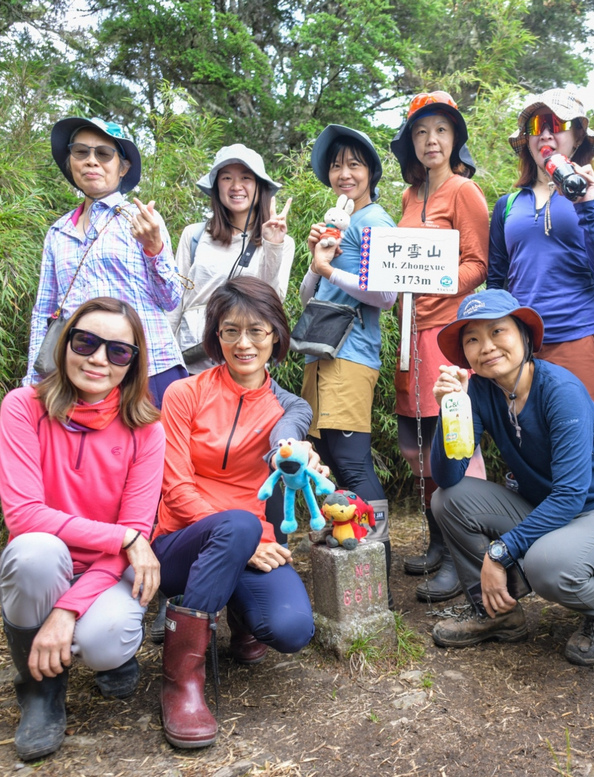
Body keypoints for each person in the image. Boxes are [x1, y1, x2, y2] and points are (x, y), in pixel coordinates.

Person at [427, 289, 594, 666]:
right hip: (550, 514)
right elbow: (448, 477)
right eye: (473, 339)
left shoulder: (559, 390)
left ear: (524, 337)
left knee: (546, 564)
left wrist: (498, 554)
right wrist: (452, 411)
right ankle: (496, 613)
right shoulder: (481, 391)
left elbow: (570, 495)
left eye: (498, 332)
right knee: (447, 501)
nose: (486, 347)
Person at [152, 276, 321, 749]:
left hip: (249, 539)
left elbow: (286, 437)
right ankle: (181, 680)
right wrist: (240, 538)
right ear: (215, 336)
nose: (244, 343)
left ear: (276, 336)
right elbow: (176, 485)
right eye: (230, 331)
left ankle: (243, 623)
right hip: (180, 539)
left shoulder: (289, 405)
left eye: (257, 331)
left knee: (290, 629)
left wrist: (294, 453)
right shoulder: (184, 394)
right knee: (240, 524)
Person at [0, 297, 164, 761]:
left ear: (133, 364)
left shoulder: (145, 428)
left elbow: (132, 535)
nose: (97, 359)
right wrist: (127, 537)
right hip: (47, 562)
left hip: (106, 570)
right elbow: (24, 516)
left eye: (118, 351)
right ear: (64, 341)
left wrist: (67, 610)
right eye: (85, 341)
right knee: (35, 551)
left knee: (105, 642)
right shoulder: (23, 408)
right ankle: (39, 693)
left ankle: (105, 652)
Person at [489, 89, 594, 446]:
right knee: (533, 443)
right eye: (538, 125)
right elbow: (497, 280)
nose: (546, 133)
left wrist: (586, 204)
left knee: (590, 440)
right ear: (527, 141)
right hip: (524, 344)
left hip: (582, 336)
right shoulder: (508, 205)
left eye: (558, 124)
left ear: (578, 136)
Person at [389, 91, 490, 603]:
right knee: (414, 442)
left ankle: (463, 555)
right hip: (408, 335)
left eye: (442, 131)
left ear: (455, 140)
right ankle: (435, 540)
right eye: (422, 131)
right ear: (411, 141)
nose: (431, 140)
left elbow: (478, 263)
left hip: (446, 333)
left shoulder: (464, 191)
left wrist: (433, 282)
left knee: (452, 442)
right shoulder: (409, 197)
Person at [26, 117, 185, 407]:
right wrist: (33, 380)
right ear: (70, 162)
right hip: (86, 374)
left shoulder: (142, 221)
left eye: (103, 153)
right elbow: (44, 311)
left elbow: (171, 299)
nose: (91, 161)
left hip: (149, 369)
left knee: (157, 453)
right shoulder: (58, 232)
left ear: (122, 167)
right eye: (81, 152)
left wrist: (154, 247)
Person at [299, 125, 396, 572]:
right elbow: (307, 296)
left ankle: (378, 555)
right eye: (337, 165)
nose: (344, 173)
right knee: (335, 456)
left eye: (354, 164)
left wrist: (330, 270)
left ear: (371, 172)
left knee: (352, 459)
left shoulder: (374, 220)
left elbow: (386, 295)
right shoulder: (342, 222)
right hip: (323, 352)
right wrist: (319, 258)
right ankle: (355, 542)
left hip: (350, 354)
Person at [169, 144, 295, 375]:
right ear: (217, 186)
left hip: (245, 358)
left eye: (246, 177)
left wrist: (272, 244)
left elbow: (272, 300)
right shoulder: (195, 236)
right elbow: (175, 301)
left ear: (259, 186)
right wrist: (164, 358)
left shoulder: (282, 242)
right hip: (191, 361)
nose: (236, 186)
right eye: (227, 178)